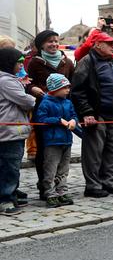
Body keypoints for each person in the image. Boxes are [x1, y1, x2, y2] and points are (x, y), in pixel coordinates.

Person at [70, 31, 113, 198]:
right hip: (97, 113)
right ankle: (93, 184)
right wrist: (87, 112)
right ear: (97, 45)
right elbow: (78, 90)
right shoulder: (87, 61)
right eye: (109, 43)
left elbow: (112, 82)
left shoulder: (109, 61)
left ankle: (108, 180)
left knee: (112, 149)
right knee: (94, 151)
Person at [24, 30, 75, 200]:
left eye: (55, 41)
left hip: (64, 110)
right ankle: (45, 187)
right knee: (45, 152)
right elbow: (27, 83)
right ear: (41, 45)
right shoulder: (35, 63)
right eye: (49, 42)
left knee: (63, 154)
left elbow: (72, 85)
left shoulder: (67, 62)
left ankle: (60, 188)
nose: (53, 44)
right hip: (44, 109)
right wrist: (33, 89)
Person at [33, 74, 78, 207]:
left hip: (66, 141)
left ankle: (62, 191)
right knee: (50, 169)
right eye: (65, 87)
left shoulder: (68, 102)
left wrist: (73, 121)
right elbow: (40, 120)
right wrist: (58, 120)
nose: (68, 90)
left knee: (64, 169)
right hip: (52, 142)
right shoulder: (45, 102)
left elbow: (73, 115)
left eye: (68, 87)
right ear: (55, 88)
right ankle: (50, 193)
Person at [0, 48, 36, 216]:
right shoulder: (6, 80)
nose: (21, 65)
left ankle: (11, 194)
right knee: (10, 167)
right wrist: (32, 98)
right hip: (9, 132)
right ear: (9, 63)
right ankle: (5, 199)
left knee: (8, 166)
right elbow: (25, 101)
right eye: (18, 62)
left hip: (9, 131)